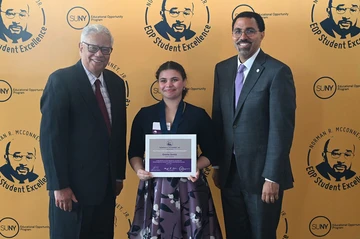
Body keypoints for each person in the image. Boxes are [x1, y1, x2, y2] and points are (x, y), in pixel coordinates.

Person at [212, 11, 296, 239]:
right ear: (232, 35)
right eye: (238, 31)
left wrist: (272, 177)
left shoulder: (277, 72)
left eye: (250, 30)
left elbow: (281, 129)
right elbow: (219, 121)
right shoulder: (223, 69)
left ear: (261, 34)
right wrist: (218, 166)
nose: (243, 36)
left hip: (262, 178)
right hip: (230, 175)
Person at [40, 24, 127, 239]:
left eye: (105, 49)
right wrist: (59, 186)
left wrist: (118, 176)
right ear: (80, 47)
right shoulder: (61, 81)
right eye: (93, 47)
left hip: (106, 190)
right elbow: (51, 138)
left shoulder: (116, 83)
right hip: (72, 191)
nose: (99, 54)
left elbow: (118, 132)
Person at [127, 61, 222, 239]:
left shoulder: (198, 115)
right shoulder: (144, 115)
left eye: (174, 79)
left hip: (189, 184)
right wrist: (139, 169)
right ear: (158, 84)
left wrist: (196, 165)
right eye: (163, 80)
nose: (168, 85)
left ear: (184, 82)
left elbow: (212, 152)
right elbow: (134, 152)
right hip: (155, 186)